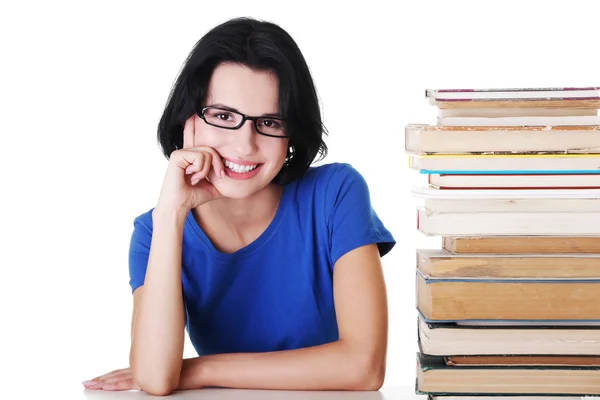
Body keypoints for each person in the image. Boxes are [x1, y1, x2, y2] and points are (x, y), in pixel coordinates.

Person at [82, 17, 395, 395]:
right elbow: (154, 378)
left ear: (290, 132)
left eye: (269, 121)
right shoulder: (156, 231)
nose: (245, 145)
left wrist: (198, 369)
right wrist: (171, 213)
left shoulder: (336, 194)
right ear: (188, 121)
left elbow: (363, 368)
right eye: (223, 116)